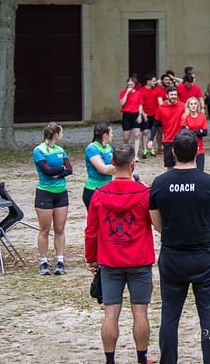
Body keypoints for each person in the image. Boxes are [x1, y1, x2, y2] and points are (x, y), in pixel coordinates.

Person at [150, 130, 210, 364]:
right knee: (209, 318)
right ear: (197, 151)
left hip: (173, 256)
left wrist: (177, 235)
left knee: (170, 316)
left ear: (173, 152)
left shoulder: (160, 183)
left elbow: (156, 224)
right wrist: (202, 236)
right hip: (205, 257)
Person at [84, 144, 155, 364]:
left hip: (110, 260)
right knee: (140, 312)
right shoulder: (144, 194)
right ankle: (142, 358)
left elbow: (91, 231)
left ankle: (110, 359)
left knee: (111, 313)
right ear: (132, 165)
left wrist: (91, 258)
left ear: (112, 164)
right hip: (139, 259)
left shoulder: (99, 195)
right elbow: (154, 222)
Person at [33, 122, 73, 275]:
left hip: (61, 192)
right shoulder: (39, 150)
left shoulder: (60, 150)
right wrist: (59, 170)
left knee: (60, 228)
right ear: (55, 134)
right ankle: (43, 261)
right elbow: (47, 171)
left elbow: (69, 169)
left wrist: (60, 172)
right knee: (44, 229)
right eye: (61, 133)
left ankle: (60, 259)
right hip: (45, 192)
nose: (62, 136)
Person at [153, 86, 186, 171]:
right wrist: (150, 139)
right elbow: (155, 125)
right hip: (168, 140)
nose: (174, 96)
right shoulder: (161, 108)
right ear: (167, 95)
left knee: (181, 164)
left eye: (175, 94)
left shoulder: (183, 106)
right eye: (171, 94)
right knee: (169, 165)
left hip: (181, 139)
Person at [83, 122, 115, 208]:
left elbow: (114, 165)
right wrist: (121, 168)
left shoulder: (109, 147)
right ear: (105, 135)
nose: (112, 135)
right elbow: (103, 169)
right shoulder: (92, 148)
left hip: (108, 189)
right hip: (94, 190)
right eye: (111, 133)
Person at [119, 77, 144, 161]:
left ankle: (135, 155)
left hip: (136, 114)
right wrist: (127, 93)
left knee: (137, 135)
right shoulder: (122, 92)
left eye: (131, 84)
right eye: (128, 84)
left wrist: (140, 115)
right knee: (126, 137)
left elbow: (140, 105)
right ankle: (125, 153)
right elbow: (122, 103)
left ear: (134, 85)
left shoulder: (138, 93)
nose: (130, 86)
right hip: (126, 114)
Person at [181, 96, 209, 171]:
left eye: (195, 104)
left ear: (197, 105)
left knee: (200, 170)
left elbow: (205, 132)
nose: (193, 106)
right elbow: (184, 132)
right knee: (189, 170)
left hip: (200, 147)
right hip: (189, 147)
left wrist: (191, 131)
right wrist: (199, 131)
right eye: (191, 104)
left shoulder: (202, 117)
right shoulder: (185, 117)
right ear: (188, 106)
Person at [140, 75, 160, 158]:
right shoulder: (141, 91)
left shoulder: (156, 90)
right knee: (145, 132)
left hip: (155, 114)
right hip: (145, 114)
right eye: (153, 81)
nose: (155, 83)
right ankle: (145, 149)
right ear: (148, 81)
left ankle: (152, 148)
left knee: (154, 133)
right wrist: (143, 113)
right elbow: (140, 104)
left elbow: (159, 101)